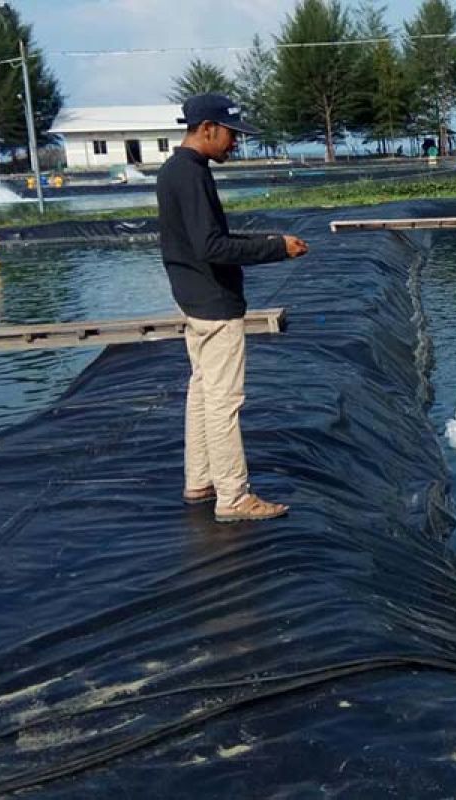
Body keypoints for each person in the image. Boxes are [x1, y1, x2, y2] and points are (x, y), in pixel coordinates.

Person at [157, 93, 309, 523]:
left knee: (203, 390)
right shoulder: (192, 176)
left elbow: (200, 239)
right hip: (214, 301)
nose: (234, 144)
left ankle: (199, 480)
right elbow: (212, 246)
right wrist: (276, 247)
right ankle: (234, 495)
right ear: (207, 128)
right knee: (224, 400)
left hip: (191, 296)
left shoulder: (176, 171)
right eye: (231, 135)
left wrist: (267, 243)